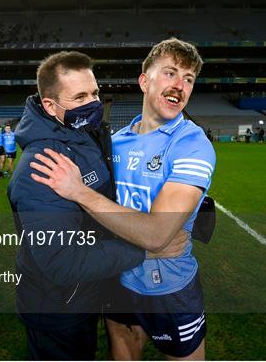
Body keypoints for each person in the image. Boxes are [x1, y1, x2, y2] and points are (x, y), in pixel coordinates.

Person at [31, 38, 215, 360]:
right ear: (145, 80)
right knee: (123, 343)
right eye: (170, 73)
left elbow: (158, 234)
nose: (180, 85)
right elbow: (135, 236)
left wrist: (79, 191)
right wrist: (144, 248)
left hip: (170, 288)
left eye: (188, 79)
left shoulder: (192, 144)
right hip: (117, 277)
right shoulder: (115, 143)